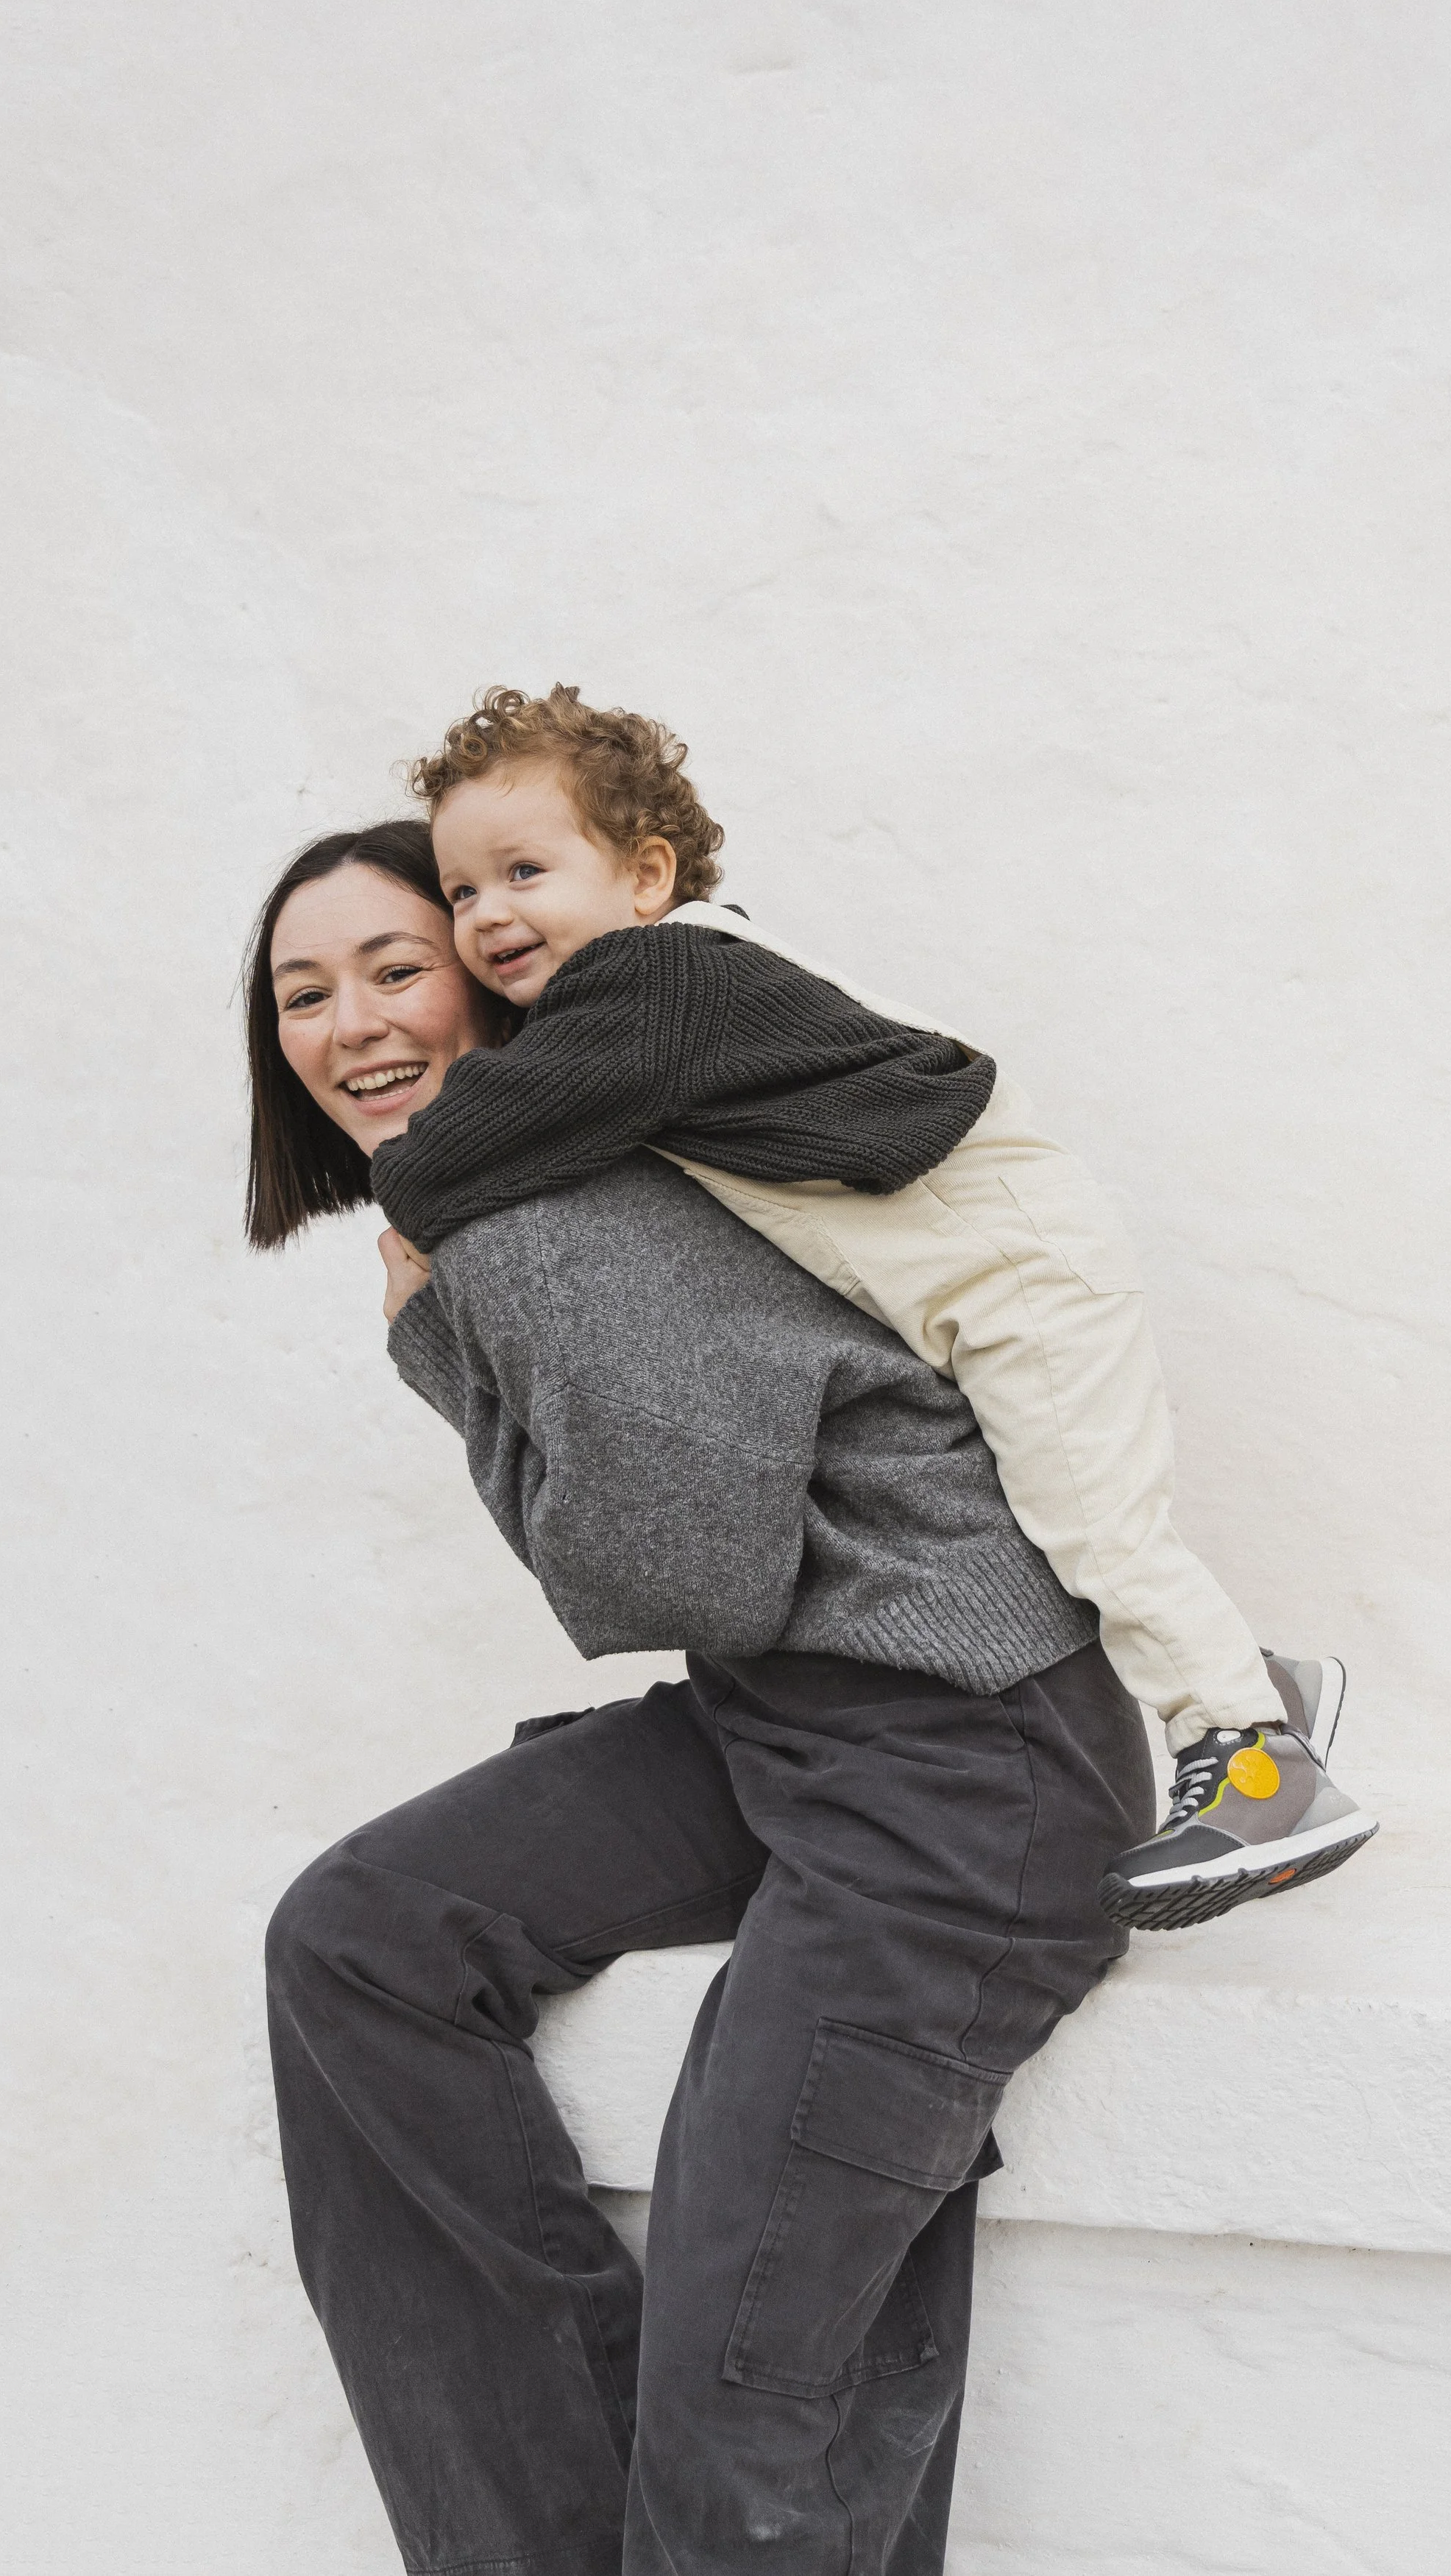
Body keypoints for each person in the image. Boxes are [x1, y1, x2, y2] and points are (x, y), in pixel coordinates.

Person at [248, 820, 1157, 2575]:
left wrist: (434, 1325)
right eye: (302, 992)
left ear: (503, 993)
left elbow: (679, 1571)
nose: (349, 1024)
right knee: (365, 1940)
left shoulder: (539, 1215)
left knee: (744, 2391)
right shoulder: (516, 1200)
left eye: (394, 968)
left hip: (968, 1771)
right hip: (794, 1722)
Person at [369, 685, 1376, 1926]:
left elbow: (472, 1142)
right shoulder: (663, 993)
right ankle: (1258, 1678)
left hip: (1014, 1272)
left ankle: (1265, 1765)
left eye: (525, 870)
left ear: (645, 874)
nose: (488, 914)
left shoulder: (654, 980)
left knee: (1093, 1525)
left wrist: (405, 1190)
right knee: (1085, 1520)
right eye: (462, 892)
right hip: (970, 1277)